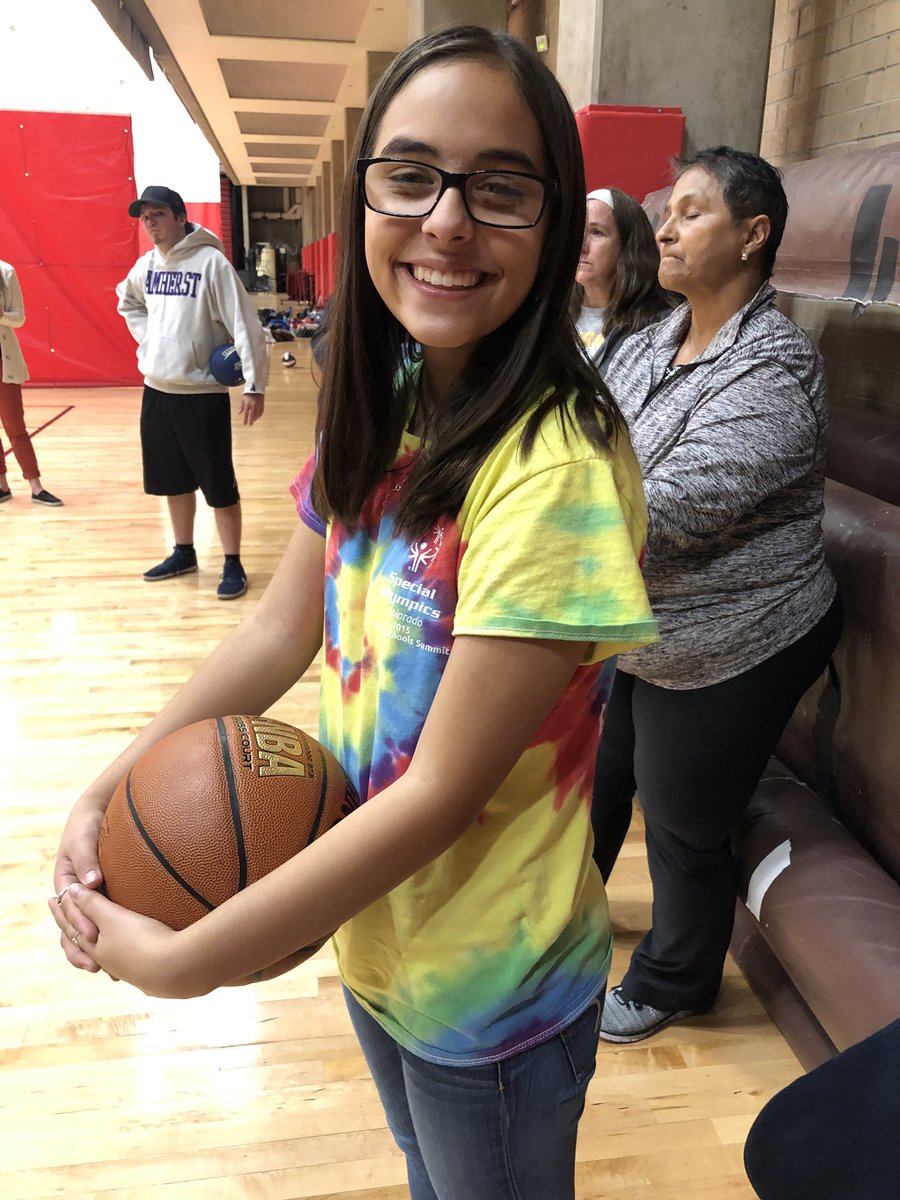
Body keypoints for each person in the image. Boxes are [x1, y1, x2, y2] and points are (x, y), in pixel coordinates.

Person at [51, 27, 657, 1200]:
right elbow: (280, 631)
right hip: (376, 935)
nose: (446, 222)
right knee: (429, 1178)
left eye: (501, 188)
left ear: (557, 215)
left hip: (495, 992)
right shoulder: (379, 401)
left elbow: (440, 793)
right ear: (365, 189)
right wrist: (105, 790)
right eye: (412, 175)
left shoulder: (559, 470)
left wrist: (186, 967)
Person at [591, 146, 842, 1044]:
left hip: (741, 640)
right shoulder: (650, 339)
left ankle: (677, 978)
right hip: (646, 630)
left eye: (691, 211)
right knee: (596, 771)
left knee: (685, 821)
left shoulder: (772, 368)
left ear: (753, 235)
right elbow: (582, 436)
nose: (663, 226)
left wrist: (534, 509)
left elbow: (671, 507)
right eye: (667, 210)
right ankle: (565, 924)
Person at [117, 185, 268, 600]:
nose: (151, 222)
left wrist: (254, 385)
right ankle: (184, 552)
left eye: (159, 214)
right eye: (145, 216)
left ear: (180, 217)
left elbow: (245, 324)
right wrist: (149, 342)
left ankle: (233, 561)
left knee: (219, 484)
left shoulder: (211, 263)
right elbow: (127, 302)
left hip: (202, 393)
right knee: (172, 481)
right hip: (158, 390)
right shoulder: (146, 265)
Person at [574, 187, 672, 379]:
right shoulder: (554, 310)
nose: (582, 246)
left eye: (596, 232)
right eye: (578, 231)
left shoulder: (656, 326)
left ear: (627, 247)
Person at [0, 258, 63, 506]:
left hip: (3, 362)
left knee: (15, 427)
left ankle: (36, 487)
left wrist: (1, 314)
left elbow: (19, 318)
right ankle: (2, 486)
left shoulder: (5, 271)